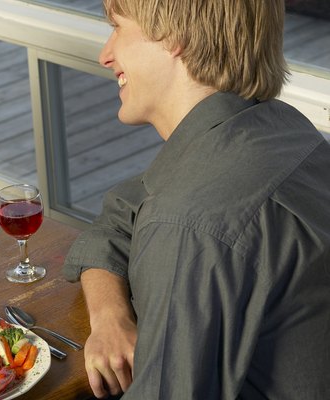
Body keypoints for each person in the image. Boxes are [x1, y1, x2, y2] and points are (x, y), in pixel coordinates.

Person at [62, 0, 330, 398]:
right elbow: (124, 211)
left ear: (173, 38)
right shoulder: (281, 128)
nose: (105, 54)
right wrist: (109, 314)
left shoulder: (188, 226)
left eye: (117, 27)